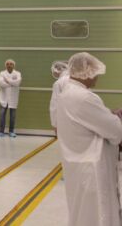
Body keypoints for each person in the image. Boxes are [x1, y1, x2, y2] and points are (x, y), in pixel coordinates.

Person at [56, 52, 122, 226]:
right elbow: (116, 130)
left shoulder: (67, 93)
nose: (97, 77)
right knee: (98, 215)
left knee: (81, 214)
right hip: (93, 169)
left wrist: (108, 115)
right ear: (86, 73)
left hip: (78, 166)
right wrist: (115, 118)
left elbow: (91, 121)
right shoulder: (85, 97)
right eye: (95, 73)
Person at [0, 59, 21, 138]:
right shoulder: (2, 73)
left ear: (14, 65)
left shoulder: (17, 73)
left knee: (12, 116)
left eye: (11, 64)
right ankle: (1, 131)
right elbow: (1, 83)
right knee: (2, 114)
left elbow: (17, 83)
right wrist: (12, 83)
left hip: (13, 97)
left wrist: (7, 81)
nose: (9, 65)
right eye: (7, 64)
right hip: (3, 97)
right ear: (5, 65)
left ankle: (11, 131)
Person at [49, 60, 69, 132]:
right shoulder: (75, 79)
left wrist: (55, 124)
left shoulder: (59, 83)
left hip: (65, 120)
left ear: (57, 70)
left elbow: (55, 104)